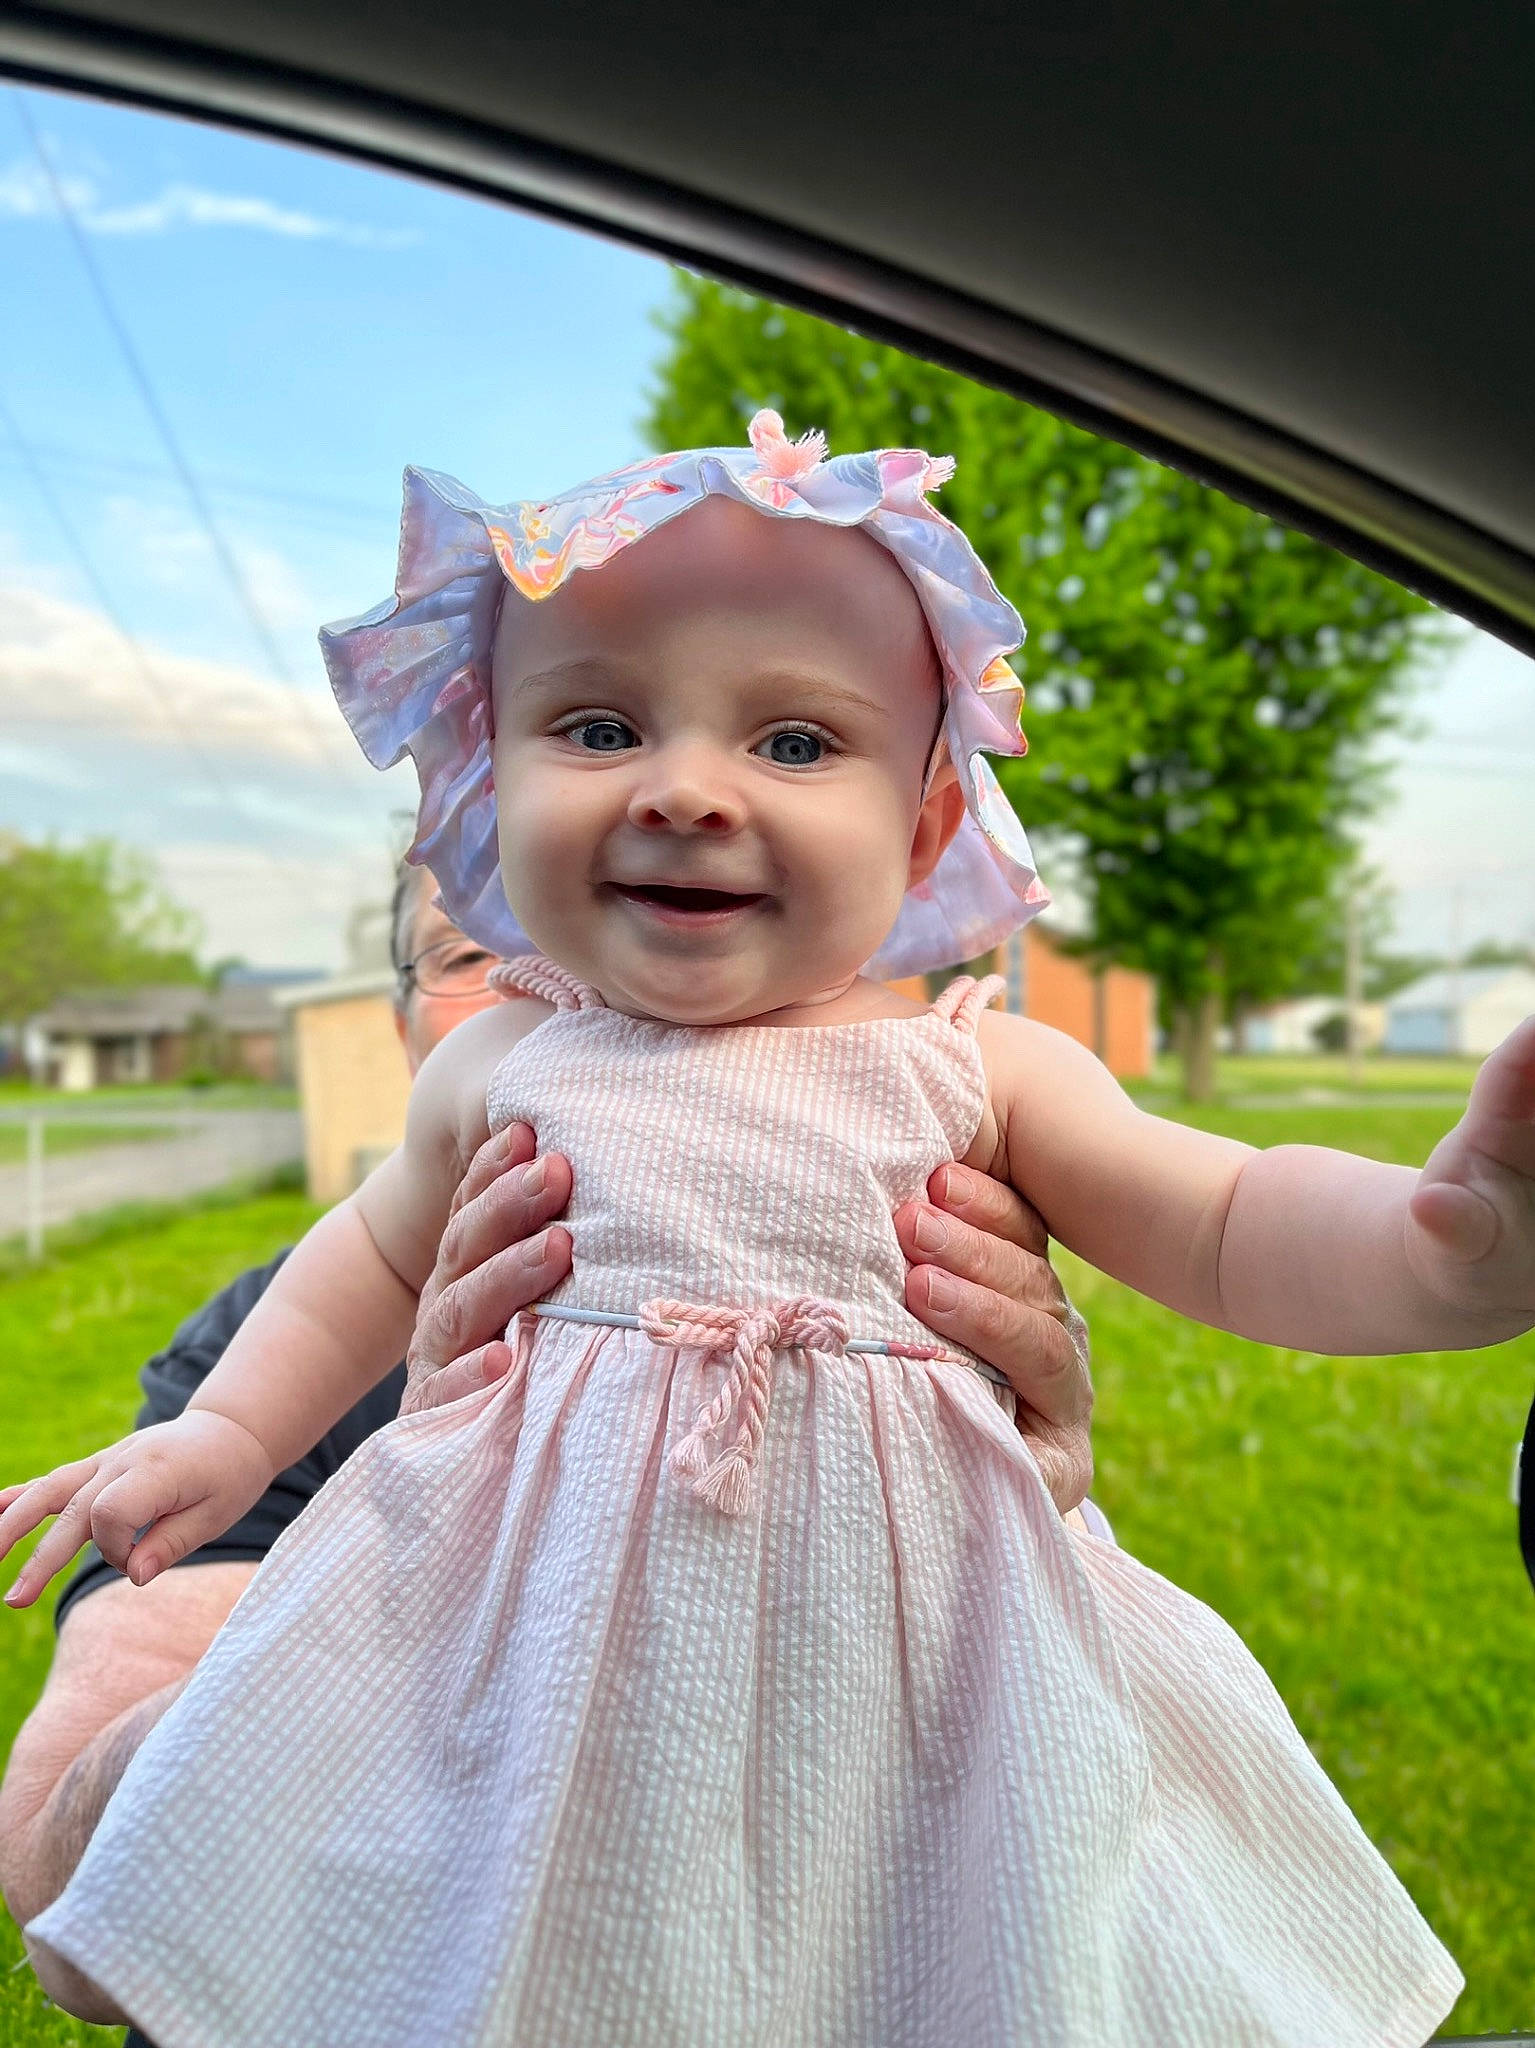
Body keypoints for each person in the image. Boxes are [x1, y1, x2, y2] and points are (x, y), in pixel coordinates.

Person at [4, 409, 1524, 2045]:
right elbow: (379, 1254)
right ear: (488, 773)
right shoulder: (510, 1058)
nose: (685, 789)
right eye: (594, 724)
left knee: (949, 1953)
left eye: (795, 743)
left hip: (913, 1691)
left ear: (929, 822)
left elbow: (1225, 1217)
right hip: (557, 1682)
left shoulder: (978, 1070)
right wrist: (229, 1432)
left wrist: (1451, 1240)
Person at [0, 861, 1101, 2042]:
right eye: (482, 951)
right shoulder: (274, 1356)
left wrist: (989, 1485)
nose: (598, 987)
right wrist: (423, 1547)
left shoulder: (914, 1290)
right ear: (409, 1031)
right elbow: (64, 1889)